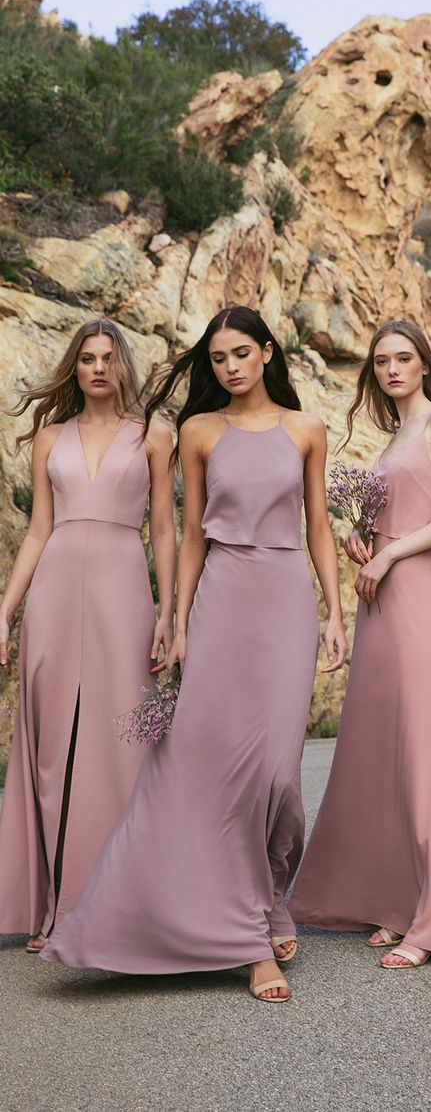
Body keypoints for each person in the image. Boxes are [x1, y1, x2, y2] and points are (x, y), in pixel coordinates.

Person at [42, 307, 347, 1002]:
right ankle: (251, 935)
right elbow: (192, 536)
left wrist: (335, 611)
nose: (229, 367)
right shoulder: (197, 432)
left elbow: (319, 526)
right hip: (221, 602)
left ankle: (272, 890)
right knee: (213, 775)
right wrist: (176, 620)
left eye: (241, 354)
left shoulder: (306, 430)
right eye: (217, 359)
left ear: (267, 353)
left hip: (285, 602)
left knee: (277, 775)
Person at [290, 319, 431, 970]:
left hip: (415, 593)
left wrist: (394, 550)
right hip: (379, 596)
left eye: (404, 358)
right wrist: (363, 539)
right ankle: (400, 899)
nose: (392, 369)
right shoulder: (396, 434)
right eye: (381, 362)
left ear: (425, 363)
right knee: (386, 747)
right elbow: (394, 512)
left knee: (427, 742)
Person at [0, 318, 174, 951]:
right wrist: (5, 609)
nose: (97, 368)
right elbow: (40, 530)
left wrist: (169, 609)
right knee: (54, 751)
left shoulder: (155, 435)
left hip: (123, 592)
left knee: (121, 743)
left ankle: (117, 900)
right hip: (53, 593)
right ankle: (53, 908)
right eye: (86, 359)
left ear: (123, 365)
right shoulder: (48, 439)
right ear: (74, 369)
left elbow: (162, 530)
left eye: (107, 358)